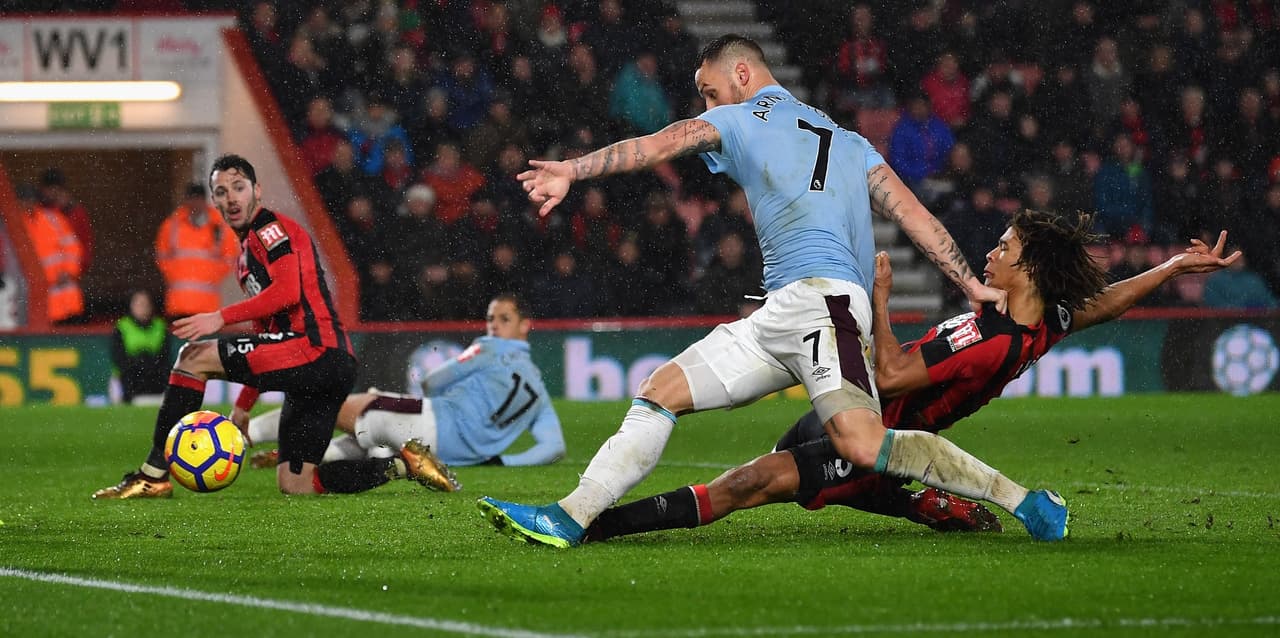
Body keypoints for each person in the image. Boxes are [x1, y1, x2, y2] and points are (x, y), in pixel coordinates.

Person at [478, 35, 1071, 550]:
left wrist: (572, 171)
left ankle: (1024, 501)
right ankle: (569, 517)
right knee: (660, 391)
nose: (707, 106)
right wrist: (966, 279)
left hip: (825, 304)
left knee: (862, 444)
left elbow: (662, 143)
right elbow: (910, 212)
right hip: (781, 311)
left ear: (742, 75)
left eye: (709, 91)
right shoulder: (848, 140)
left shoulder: (739, 118)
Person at [584, 217, 1242, 543]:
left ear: (1030, 271)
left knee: (755, 481)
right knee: (795, 470)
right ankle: (919, 501)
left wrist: (881, 299)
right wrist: (1173, 268)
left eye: (1005, 249)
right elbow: (1101, 305)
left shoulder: (987, 336)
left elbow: (893, 375)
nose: (991, 252)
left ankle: (597, 526)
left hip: (885, 429)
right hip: (862, 412)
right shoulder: (1045, 317)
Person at [92, 154, 450, 500]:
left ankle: (152, 476)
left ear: (257, 191)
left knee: (193, 356)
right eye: (221, 191)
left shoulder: (268, 229)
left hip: (312, 348)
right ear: (215, 201)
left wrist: (220, 317)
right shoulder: (245, 256)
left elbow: (288, 292)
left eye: (239, 187)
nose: (231, 198)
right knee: (297, 483)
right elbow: (265, 329)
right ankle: (406, 465)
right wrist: (245, 403)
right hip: (328, 364)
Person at [245, 294, 563, 468]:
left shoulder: (488, 348)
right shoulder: (538, 391)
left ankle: (245, 434)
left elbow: (433, 382)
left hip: (429, 421)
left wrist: (454, 398)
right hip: (449, 454)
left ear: (525, 325)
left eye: (503, 319)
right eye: (491, 318)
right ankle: (300, 455)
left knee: (324, 405)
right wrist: (501, 462)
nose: (493, 326)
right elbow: (554, 447)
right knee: (368, 437)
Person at [154, 183, 240, 318]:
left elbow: (230, 258)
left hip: (207, 305)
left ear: (204, 201)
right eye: (192, 199)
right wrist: (176, 275)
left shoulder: (219, 227)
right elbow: (162, 256)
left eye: (197, 199)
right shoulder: (172, 226)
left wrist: (211, 275)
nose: (194, 204)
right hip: (178, 304)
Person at [20, 182, 84, 324]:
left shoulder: (53, 219)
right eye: (24, 200)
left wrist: (69, 271)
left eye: (31, 200)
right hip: (36, 295)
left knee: (69, 334)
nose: (28, 204)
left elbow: (73, 247)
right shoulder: (16, 225)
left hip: (63, 291)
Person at [111, 290, 172, 404]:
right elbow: (118, 356)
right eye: (139, 304)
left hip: (155, 375)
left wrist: (148, 363)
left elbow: (165, 356)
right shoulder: (123, 326)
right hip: (130, 377)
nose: (142, 308)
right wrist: (138, 363)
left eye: (145, 304)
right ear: (131, 306)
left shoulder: (160, 326)